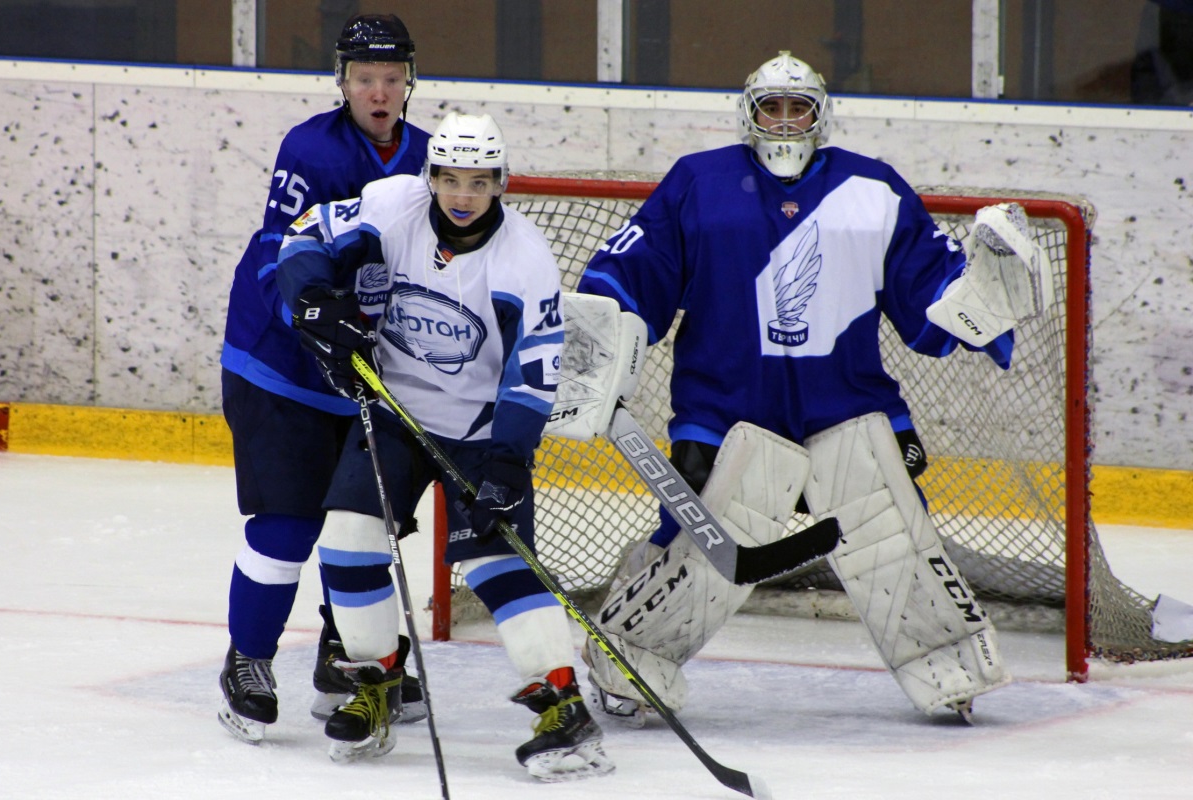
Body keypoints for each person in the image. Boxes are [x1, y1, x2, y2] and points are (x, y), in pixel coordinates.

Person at [575, 51, 1026, 725]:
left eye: (798, 108)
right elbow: (633, 270)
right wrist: (598, 335)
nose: (784, 122)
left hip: (845, 404)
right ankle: (630, 660)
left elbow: (929, 297)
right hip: (722, 410)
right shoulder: (698, 183)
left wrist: (977, 304)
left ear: (820, 115)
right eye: (771, 108)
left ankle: (948, 663)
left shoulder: (874, 190)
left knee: (889, 536)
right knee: (697, 541)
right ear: (749, 113)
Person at [272, 111, 615, 780]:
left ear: (500, 183)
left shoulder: (525, 258)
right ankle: (377, 680)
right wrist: (312, 296)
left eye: (479, 182)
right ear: (430, 177)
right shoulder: (390, 204)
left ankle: (563, 707)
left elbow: (534, 367)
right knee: (346, 537)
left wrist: (511, 459)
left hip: (481, 434)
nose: (463, 195)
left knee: (497, 565)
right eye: (451, 179)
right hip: (396, 416)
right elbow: (301, 237)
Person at [216, 13, 429, 744]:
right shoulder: (311, 148)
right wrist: (316, 312)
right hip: (278, 367)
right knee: (287, 524)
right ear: (342, 81)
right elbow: (282, 251)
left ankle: (347, 657)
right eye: (365, 78)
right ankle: (247, 661)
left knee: (363, 526)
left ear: (409, 83)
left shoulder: (429, 159)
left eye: (391, 78)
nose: (379, 91)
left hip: (364, 376)